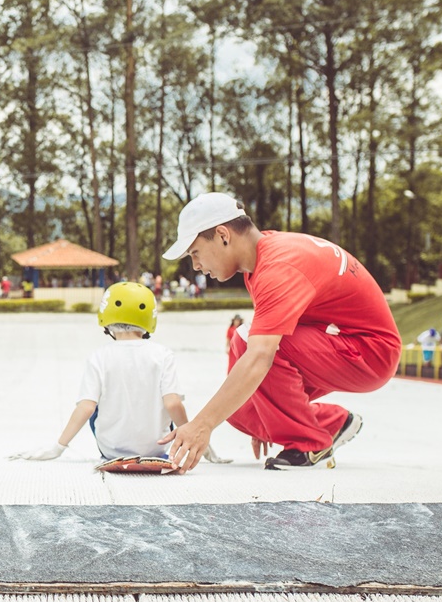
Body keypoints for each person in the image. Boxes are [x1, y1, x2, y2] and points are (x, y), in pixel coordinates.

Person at [160, 192, 401, 471]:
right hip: (337, 343)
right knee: (240, 411)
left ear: (223, 235)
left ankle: (311, 443)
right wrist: (265, 409)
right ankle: (333, 422)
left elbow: (262, 355)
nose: (196, 266)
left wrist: (200, 425)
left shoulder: (279, 266)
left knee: (255, 344)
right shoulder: (263, 256)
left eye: (195, 253)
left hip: (371, 352)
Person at [9, 282, 224, 466]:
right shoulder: (163, 355)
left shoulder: (99, 357)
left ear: (106, 316)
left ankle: (114, 449)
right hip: (156, 449)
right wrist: (194, 440)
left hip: (111, 450)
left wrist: (58, 447)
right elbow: (173, 404)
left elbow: (86, 407)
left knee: (96, 401)